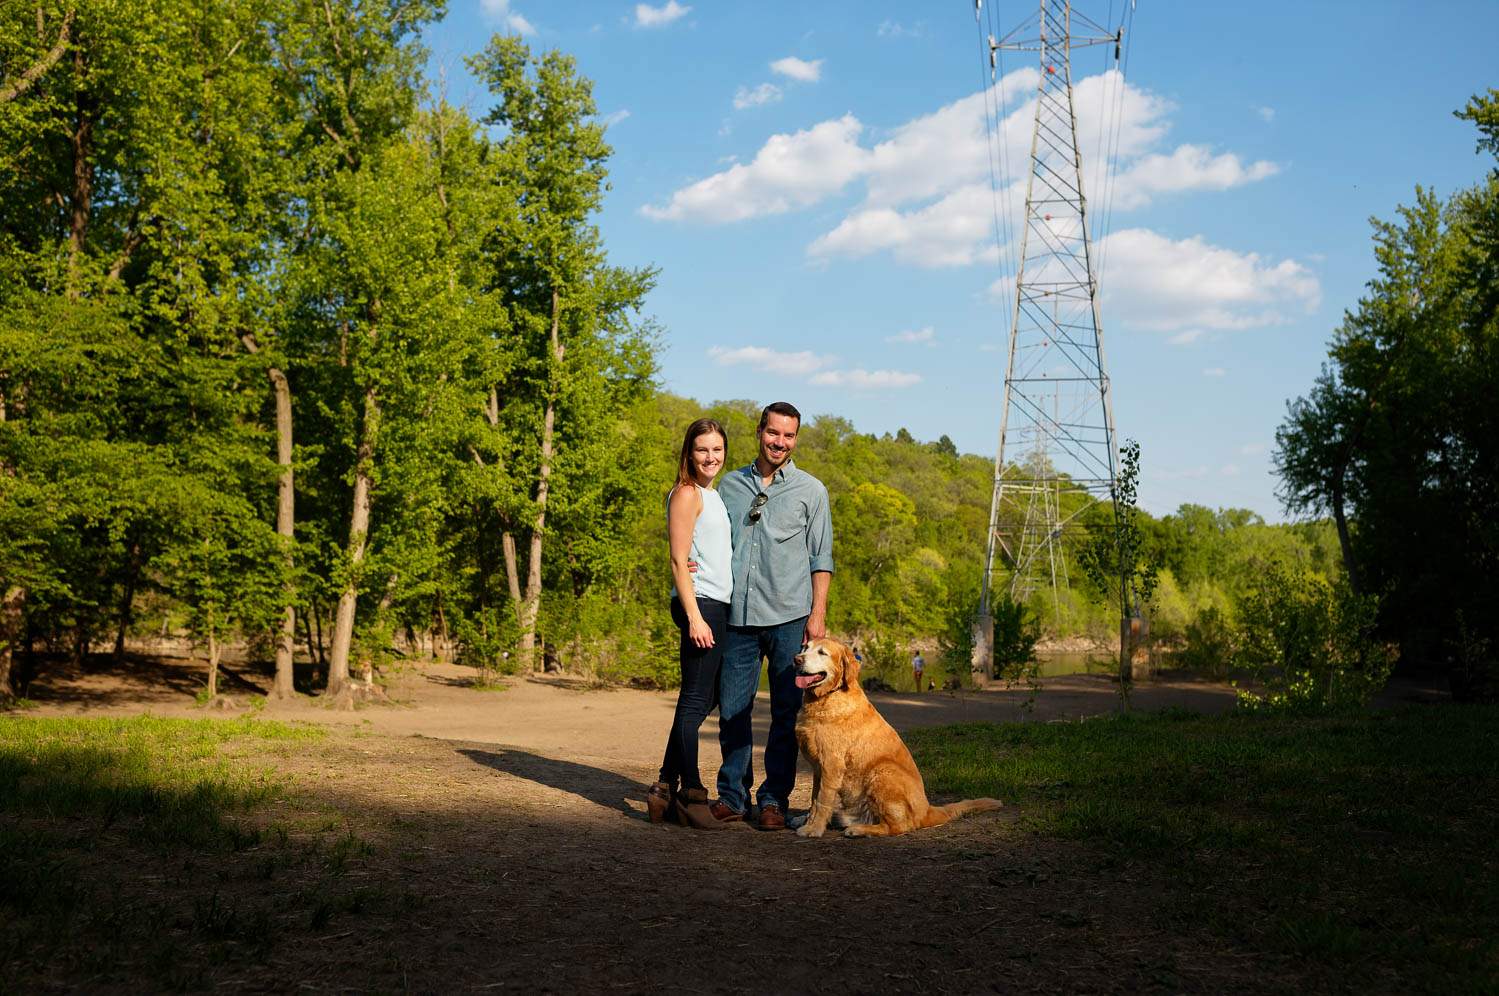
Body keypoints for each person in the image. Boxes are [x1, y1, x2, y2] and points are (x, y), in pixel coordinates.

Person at [710, 401, 834, 831]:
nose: (780, 442)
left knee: (784, 714)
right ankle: (732, 795)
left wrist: (817, 615)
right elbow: (708, 539)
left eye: (789, 435)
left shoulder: (812, 491)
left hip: (789, 619)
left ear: (795, 439)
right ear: (760, 431)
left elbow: (822, 557)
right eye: (773, 433)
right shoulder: (728, 485)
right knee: (733, 709)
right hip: (738, 618)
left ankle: (773, 802)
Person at [646, 418, 733, 830]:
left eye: (716, 449)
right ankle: (691, 793)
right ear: (689, 452)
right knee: (695, 700)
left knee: (706, 697)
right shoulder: (685, 493)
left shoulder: (710, 495)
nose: (710, 457)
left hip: (716, 604)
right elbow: (679, 560)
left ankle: (664, 785)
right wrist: (695, 616)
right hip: (701, 606)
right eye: (702, 449)